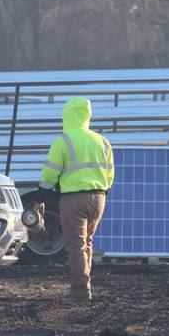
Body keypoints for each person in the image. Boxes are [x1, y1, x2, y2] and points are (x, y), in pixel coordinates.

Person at [34, 97, 114, 302]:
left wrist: (40, 199)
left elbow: (49, 175)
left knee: (76, 246)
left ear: (67, 115)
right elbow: (110, 175)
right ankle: (85, 285)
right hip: (99, 198)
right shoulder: (102, 141)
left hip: (73, 199)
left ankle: (80, 291)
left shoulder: (64, 140)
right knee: (87, 243)